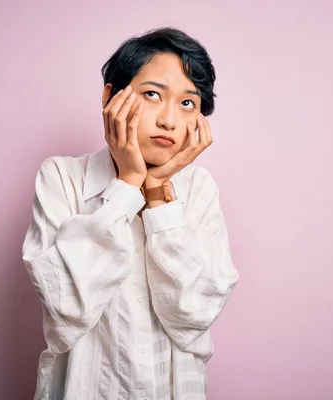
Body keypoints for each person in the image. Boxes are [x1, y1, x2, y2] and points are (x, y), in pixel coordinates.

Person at [22, 26, 239, 400]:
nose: (169, 121)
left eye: (188, 103)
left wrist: (158, 194)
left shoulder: (199, 188)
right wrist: (128, 183)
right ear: (110, 97)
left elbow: (195, 315)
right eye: (153, 94)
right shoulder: (61, 177)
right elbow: (65, 309)